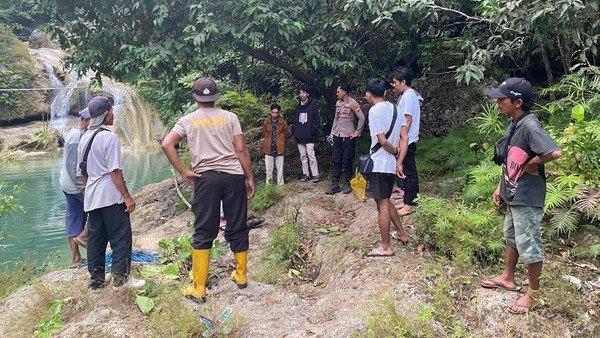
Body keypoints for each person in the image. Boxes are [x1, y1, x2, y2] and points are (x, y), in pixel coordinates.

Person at [162, 77, 255, 303]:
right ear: (217, 96)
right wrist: (249, 176)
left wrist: (184, 172)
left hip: (206, 178)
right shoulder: (230, 117)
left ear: (195, 97)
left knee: (204, 229)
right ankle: (241, 276)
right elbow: (240, 149)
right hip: (233, 176)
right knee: (238, 223)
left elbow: (167, 144)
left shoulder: (187, 120)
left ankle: (199, 288)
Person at [481, 78, 562, 314]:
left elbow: (554, 152)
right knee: (511, 236)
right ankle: (508, 277)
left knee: (529, 244)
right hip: (513, 193)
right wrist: (500, 187)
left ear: (517, 102)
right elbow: (510, 159)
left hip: (527, 196)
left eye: (502, 98)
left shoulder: (529, 125)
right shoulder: (514, 123)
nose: (497, 102)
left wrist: (533, 162)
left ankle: (533, 294)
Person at [77, 96, 145, 290]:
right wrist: (126, 196)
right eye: (111, 111)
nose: (113, 114)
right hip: (110, 196)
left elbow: (82, 173)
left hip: (92, 196)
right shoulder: (110, 138)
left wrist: (92, 189)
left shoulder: (84, 138)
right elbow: (115, 171)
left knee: (96, 239)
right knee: (121, 236)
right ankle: (121, 280)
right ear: (105, 113)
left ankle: (96, 280)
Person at [363, 78, 411, 257]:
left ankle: (385, 247)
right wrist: (399, 160)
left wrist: (394, 151)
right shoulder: (397, 109)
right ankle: (401, 233)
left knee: (381, 203)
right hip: (390, 165)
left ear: (368, 94)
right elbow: (404, 137)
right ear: (385, 92)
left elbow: (382, 141)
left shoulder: (374, 111)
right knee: (385, 199)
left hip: (379, 164)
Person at [60, 108, 91, 268]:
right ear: (85, 120)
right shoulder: (76, 138)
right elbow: (73, 167)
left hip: (67, 184)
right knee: (96, 209)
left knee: (74, 217)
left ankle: (76, 259)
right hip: (74, 185)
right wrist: (84, 188)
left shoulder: (76, 134)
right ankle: (84, 236)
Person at [390, 67, 423, 216]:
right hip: (405, 139)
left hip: (407, 141)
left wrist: (401, 140)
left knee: (409, 172)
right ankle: (407, 200)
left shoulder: (409, 96)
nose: (393, 85)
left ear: (403, 82)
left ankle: (410, 204)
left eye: (395, 82)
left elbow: (407, 120)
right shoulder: (406, 95)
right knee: (406, 171)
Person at [326, 84, 365, 195]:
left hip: (348, 136)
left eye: (338, 91)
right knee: (336, 159)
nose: (337, 93)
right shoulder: (338, 103)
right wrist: (332, 133)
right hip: (337, 135)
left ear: (344, 92)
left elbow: (362, 118)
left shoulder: (353, 103)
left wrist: (357, 132)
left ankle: (347, 183)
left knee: (347, 160)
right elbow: (336, 118)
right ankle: (335, 184)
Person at [291, 85, 320, 182]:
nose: (302, 95)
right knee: (303, 156)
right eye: (300, 93)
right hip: (300, 136)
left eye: (304, 93)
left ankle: (315, 174)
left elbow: (316, 120)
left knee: (311, 155)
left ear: (307, 94)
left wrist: (313, 131)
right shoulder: (297, 107)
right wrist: (295, 132)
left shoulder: (313, 106)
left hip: (310, 136)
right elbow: (295, 121)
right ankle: (305, 174)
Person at [262, 103, 288, 186]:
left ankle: (280, 186)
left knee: (280, 170)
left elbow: (285, 133)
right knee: (268, 170)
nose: (274, 114)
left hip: (279, 147)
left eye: (276, 113)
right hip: (268, 148)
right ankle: (269, 187)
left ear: (279, 113)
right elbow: (264, 133)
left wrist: (281, 141)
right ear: (270, 112)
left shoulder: (283, 122)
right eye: (273, 112)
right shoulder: (266, 121)